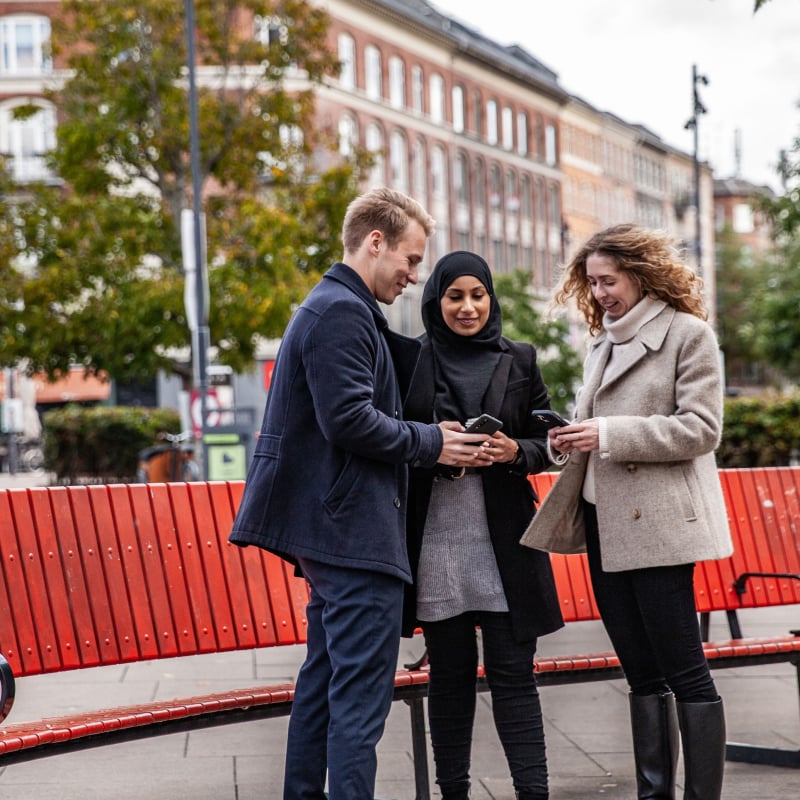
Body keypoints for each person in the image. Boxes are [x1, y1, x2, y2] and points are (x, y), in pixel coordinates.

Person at [228, 188, 497, 800]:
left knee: (324, 688)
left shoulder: (332, 306)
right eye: (410, 258)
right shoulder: (343, 312)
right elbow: (348, 419)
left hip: (334, 533)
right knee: (358, 703)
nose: (414, 275)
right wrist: (433, 442)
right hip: (351, 536)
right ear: (374, 242)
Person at [521, 223, 733, 800]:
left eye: (608, 280)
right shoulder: (603, 340)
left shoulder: (688, 335)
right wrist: (571, 436)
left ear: (640, 273)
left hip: (660, 527)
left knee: (682, 667)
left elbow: (701, 428)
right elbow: (598, 420)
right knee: (639, 670)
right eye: (591, 282)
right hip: (604, 521)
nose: (600, 293)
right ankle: (653, 793)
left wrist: (609, 433)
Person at [403, 251, 564, 800]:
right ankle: (454, 792)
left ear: (490, 298)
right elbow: (394, 442)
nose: (468, 307)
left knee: (514, 675)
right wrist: (436, 449)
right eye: (455, 296)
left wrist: (513, 450)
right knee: (449, 677)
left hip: (505, 543)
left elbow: (550, 443)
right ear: (436, 300)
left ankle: (532, 792)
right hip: (436, 543)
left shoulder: (519, 358)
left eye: (478, 295)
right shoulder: (411, 360)